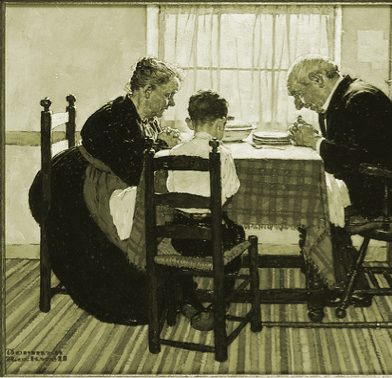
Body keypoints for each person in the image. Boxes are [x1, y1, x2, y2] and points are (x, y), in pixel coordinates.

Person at [286, 54, 392, 321]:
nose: (299, 104)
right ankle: (345, 278)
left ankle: (339, 285)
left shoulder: (360, 99)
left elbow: (353, 160)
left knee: (315, 209)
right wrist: (315, 140)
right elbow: (353, 154)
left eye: (300, 94)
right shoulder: (346, 96)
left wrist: (314, 142)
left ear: (318, 80)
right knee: (320, 202)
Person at [28, 57, 184, 325]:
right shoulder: (113, 117)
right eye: (168, 95)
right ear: (147, 91)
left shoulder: (145, 116)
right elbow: (134, 171)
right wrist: (159, 145)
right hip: (66, 193)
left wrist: (157, 143)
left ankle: (172, 292)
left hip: (98, 186)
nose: (171, 103)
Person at [165, 89, 245, 331]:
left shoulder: (175, 152)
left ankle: (190, 301)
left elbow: (170, 189)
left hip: (181, 238)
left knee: (179, 259)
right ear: (221, 124)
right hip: (214, 240)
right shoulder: (222, 154)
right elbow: (231, 189)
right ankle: (221, 305)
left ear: (191, 123)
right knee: (237, 236)